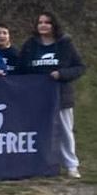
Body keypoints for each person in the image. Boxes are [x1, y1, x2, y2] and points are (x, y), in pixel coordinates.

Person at [18, 12, 86, 178]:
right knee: (36, 130)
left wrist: (61, 74)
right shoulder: (30, 44)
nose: (43, 25)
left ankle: (71, 165)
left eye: (47, 22)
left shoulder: (65, 43)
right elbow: (21, 68)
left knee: (65, 131)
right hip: (36, 96)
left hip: (61, 96)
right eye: (40, 22)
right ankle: (38, 163)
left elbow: (79, 67)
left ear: (54, 25)